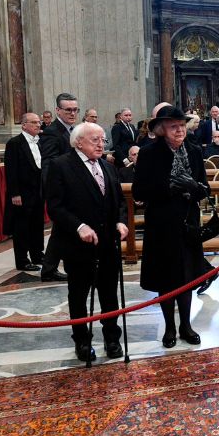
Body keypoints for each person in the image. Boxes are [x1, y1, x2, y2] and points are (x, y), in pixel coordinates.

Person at [46, 122, 129, 362]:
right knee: (79, 295)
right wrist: (79, 226)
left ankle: (112, 338)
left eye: (103, 140)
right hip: (78, 245)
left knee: (109, 295)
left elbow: (120, 202)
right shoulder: (61, 166)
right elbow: (55, 206)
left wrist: (121, 221)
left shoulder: (108, 167)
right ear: (78, 142)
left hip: (107, 244)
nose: (102, 144)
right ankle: (82, 341)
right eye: (96, 140)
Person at [133, 106, 209, 348]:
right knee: (167, 279)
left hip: (188, 223)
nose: (179, 130)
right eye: (174, 126)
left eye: (182, 125)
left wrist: (195, 188)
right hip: (162, 225)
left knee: (186, 277)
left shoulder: (195, 151)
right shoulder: (148, 153)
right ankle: (169, 328)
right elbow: (139, 192)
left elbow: (205, 187)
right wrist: (170, 188)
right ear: (161, 129)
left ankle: (186, 326)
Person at [38, 92, 80, 282]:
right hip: (61, 189)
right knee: (62, 228)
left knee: (62, 229)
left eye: (75, 110)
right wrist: (54, 191)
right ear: (58, 110)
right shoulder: (51, 132)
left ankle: (50, 268)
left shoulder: (74, 130)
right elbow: (49, 163)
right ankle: (49, 269)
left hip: (74, 187)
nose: (72, 113)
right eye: (68, 110)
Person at [3, 113, 45, 271]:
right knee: (21, 227)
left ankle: (37, 254)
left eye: (38, 122)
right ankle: (22, 260)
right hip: (22, 193)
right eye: (33, 122)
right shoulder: (14, 143)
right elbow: (11, 171)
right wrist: (15, 194)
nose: (37, 125)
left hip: (38, 191)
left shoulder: (39, 142)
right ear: (24, 125)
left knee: (36, 224)